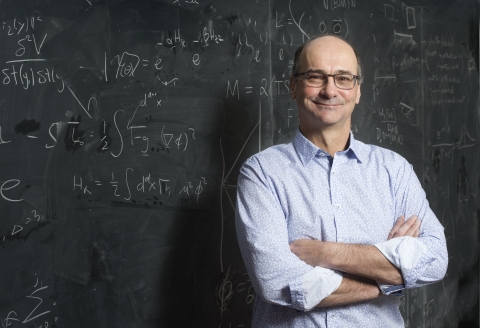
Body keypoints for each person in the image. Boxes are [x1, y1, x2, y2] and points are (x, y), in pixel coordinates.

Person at [235, 34, 448, 327]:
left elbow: (435, 261)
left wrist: (325, 254)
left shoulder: (394, 170)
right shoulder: (262, 173)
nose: (330, 90)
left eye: (344, 78)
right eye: (315, 77)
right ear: (293, 86)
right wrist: (389, 277)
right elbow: (277, 282)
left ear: (357, 90)